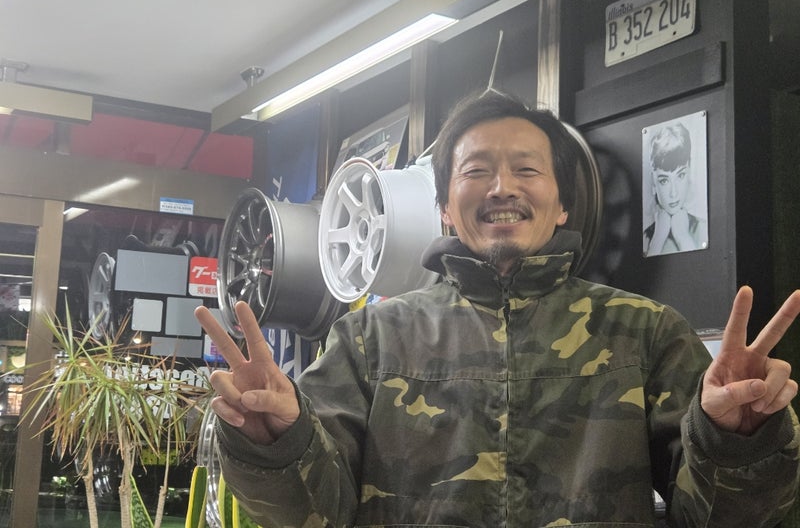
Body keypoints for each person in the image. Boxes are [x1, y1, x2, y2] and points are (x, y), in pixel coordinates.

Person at [196, 90, 800, 528]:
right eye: (476, 170)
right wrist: (276, 442)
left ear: (561, 205)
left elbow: (723, 519)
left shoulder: (645, 333)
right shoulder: (369, 340)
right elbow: (313, 516)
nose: (501, 187)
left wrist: (738, 441)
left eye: (526, 169)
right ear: (444, 207)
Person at [643, 122, 709, 256]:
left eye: (680, 175)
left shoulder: (704, 229)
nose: (674, 193)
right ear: (654, 183)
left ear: (689, 169)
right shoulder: (646, 237)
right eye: (664, 180)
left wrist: (683, 237)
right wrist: (658, 239)